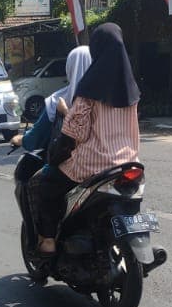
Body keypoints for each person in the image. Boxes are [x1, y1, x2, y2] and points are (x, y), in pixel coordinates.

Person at [28, 23, 141, 256]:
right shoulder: (131, 88)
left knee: (47, 184)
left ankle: (48, 240)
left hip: (94, 163)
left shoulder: (90, 86)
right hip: (129, 162)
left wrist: (58, 152)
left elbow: (75, 132)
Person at [10, 46, 92, 152]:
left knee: (47, 169)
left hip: (73, 162)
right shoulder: (106, 100)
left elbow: (35, 137)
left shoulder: (58, 100)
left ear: (69, 68)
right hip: (112, 162)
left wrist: (22, 139)